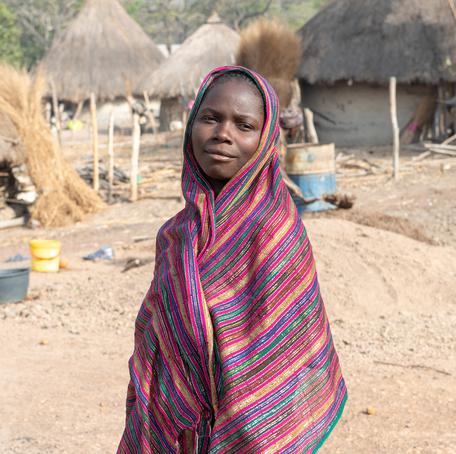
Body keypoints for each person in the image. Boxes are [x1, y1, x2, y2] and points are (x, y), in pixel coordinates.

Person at [118, 66, 347, 453]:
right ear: (191, 125)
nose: (223, 134)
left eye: (244, 125)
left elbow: (283, 354)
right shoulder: (177, 235)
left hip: (256, 430)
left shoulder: (275, 234)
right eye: (210, 118)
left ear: (264, 141)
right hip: (182, 434)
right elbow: (156, 341)